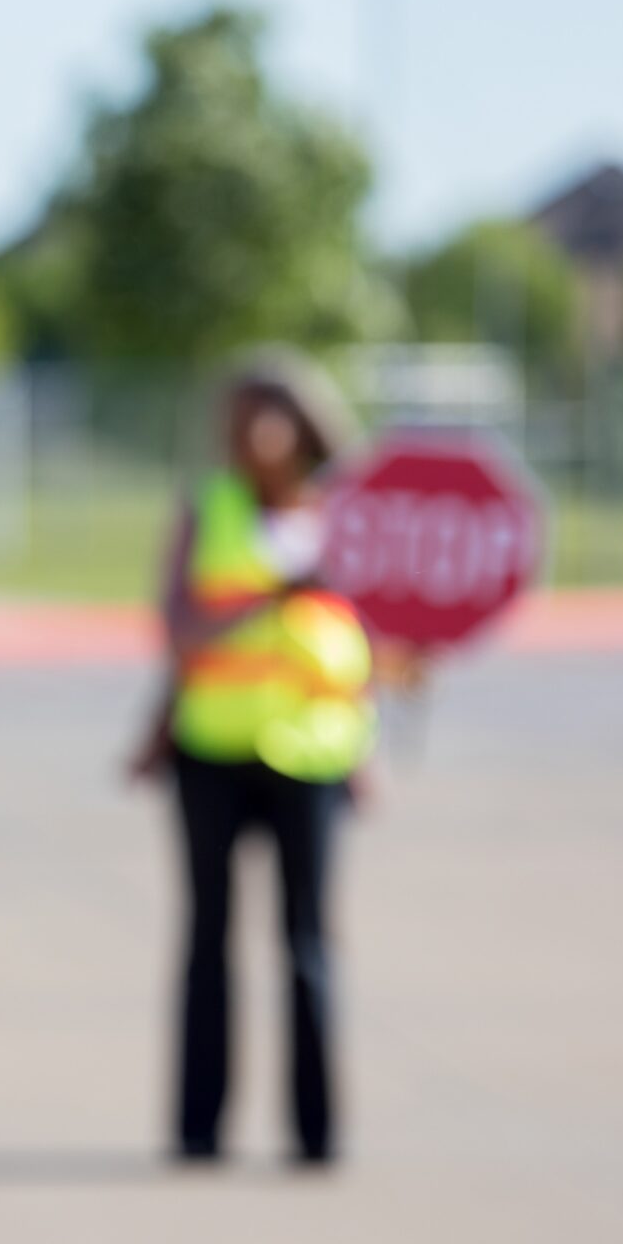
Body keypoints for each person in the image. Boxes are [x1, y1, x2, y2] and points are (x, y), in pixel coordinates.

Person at [128, 351, 375, 1168]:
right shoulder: (209, 509)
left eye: (274, 414)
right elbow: (180, 629)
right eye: (243, 417)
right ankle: (198, 1131)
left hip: (315, 756)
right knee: (208, 942)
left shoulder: (347, 514)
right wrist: (275, 596)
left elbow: (376, 646)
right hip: (213, 749)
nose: (257, 433)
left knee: (306, 945)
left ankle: (316, 1134)